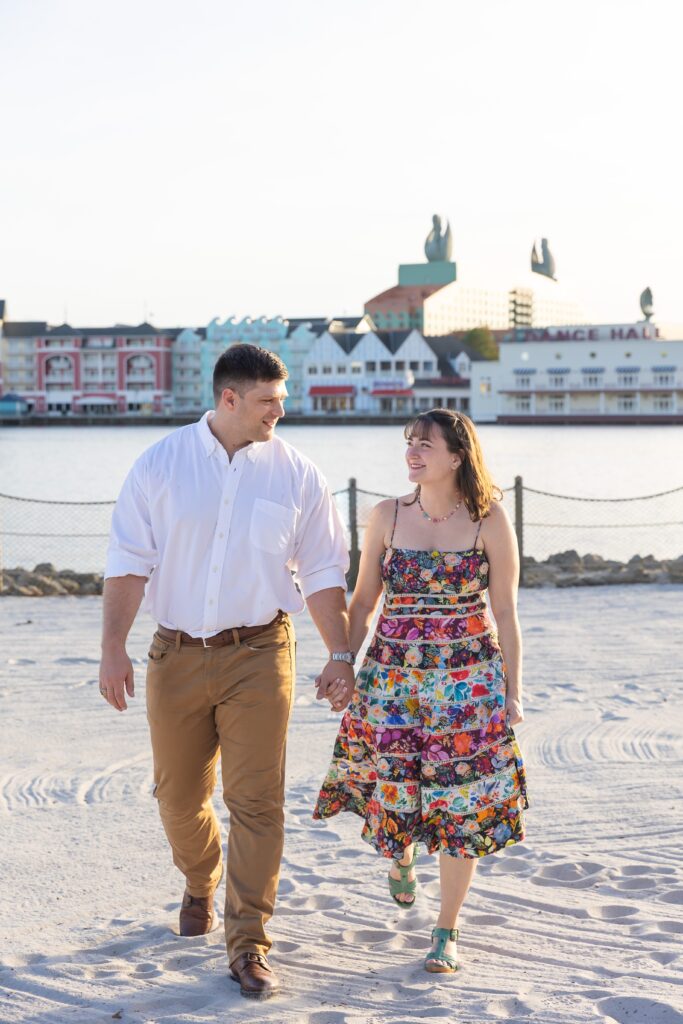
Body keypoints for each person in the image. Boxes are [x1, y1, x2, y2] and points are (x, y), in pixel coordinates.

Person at [99, 344, 354, 1001]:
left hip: (260, 651)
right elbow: (129, 561)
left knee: (257, 803)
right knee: (177, 798)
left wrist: (340, 653)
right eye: (269, 400)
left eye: (283, 399)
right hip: (174, 654)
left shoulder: (297, 474)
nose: (282, 410)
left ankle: (248, 945)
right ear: (229, 399)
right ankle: (198, 878)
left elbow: (324, 570)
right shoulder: (160, 464)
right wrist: (112, 648)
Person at [314, 408, 529, 974]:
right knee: (398, 789)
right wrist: (342, 660)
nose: (412, 452)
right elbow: (361, 603)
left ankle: (446, 928)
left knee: (460, 805)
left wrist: (513, 691)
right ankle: (402, 858)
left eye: (425, 445)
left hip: (467, 684)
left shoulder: (489, 521)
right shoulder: (386, 515)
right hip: (392, 680)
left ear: (457, 457)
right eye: (409, 442)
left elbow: (506, 613)